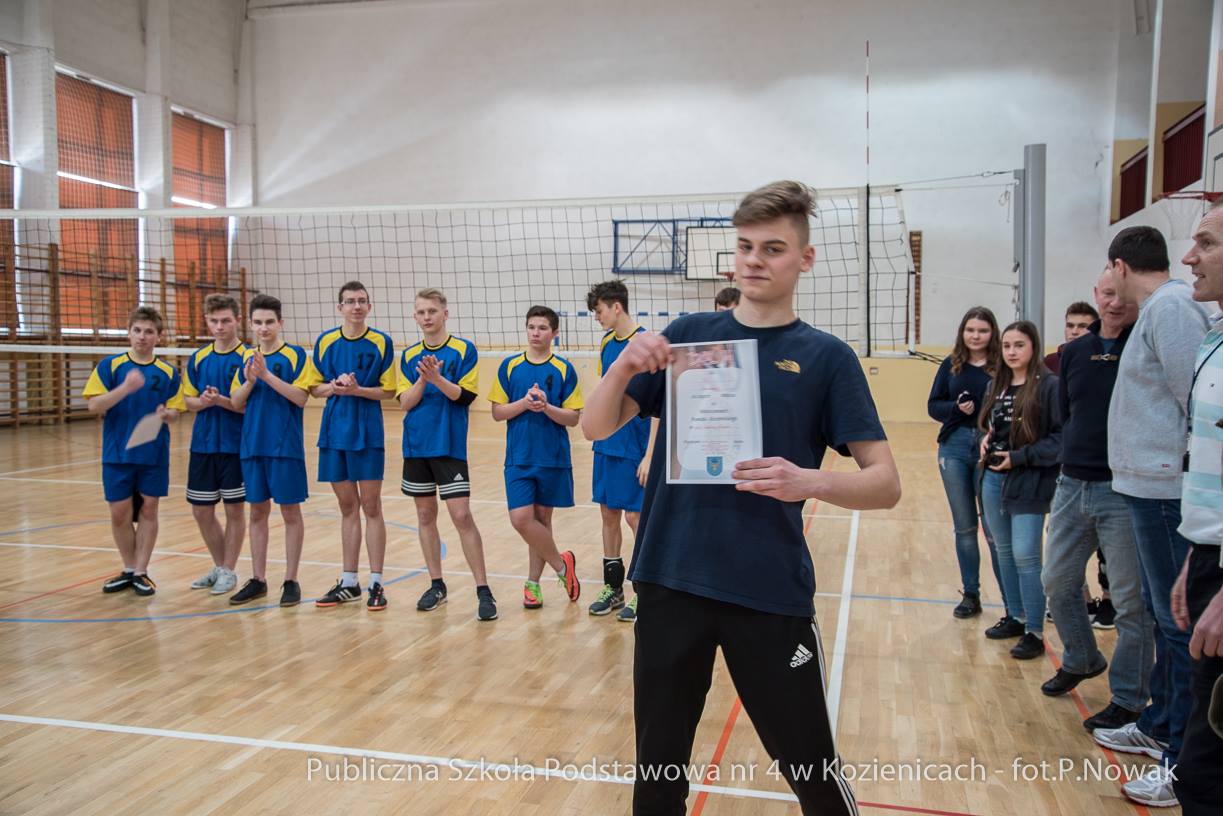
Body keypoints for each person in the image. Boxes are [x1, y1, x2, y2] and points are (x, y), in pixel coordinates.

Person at [582, 180, 901, 815]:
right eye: (746, 246)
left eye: (773, 248)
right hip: (670, 578)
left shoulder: (827, 358)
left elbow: (885, 482)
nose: (755, 260)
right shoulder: (688, 336)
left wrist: (808, 480)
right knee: (657, 778)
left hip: (767, 589)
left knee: (813, 775)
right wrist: (623, 366)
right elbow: (595, 426)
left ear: (805, 258)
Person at [1096, 225, 1211, 808]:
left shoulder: (1171, 308)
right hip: (1145, 487)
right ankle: (1159, 723)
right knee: (1164, 618)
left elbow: (1199, 401)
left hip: (1166, 488)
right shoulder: (1158, 310)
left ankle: (1180, 761)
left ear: (1119, 266)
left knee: (1178, 625)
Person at [1039, 269, 1153, 735]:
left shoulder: (1142, 345)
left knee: (1129, 603)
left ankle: (1129, 698)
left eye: (1121, 294)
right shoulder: (1073, 353)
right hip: (1072, 485)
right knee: (1057, 582)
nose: (1114, 302)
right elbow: (1067, 413)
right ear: (1096, 295)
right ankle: (1083, 657)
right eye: (1107, 294)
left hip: (1122, 489)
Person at [1168, 201, 1223, 813]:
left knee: (1206, 775)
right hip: (1210, 556)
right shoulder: (1214, 337)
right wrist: (1197, 552)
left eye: (1206, 243)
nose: (1189, 257)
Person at [397, 288, 497, 622]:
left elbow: (464, 397)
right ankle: (436, 584)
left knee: (461, 515)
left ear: (445, 314)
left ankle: (483, 590)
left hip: (449, 445)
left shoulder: (463, 349)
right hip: (416, 446)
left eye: (432, 311)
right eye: (421, 312)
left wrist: (437, 378)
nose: (427, 317)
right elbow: (405, 402)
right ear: (415, 316)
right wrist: (423, 380)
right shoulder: (408, 355)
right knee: (425, 515)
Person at [84, 306, 185, 597]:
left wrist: (167, 415)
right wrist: (125, 389)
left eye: (149, 332)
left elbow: (176, 411)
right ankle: (128, 568)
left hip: (153, 453)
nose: (142, 336)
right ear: (129, 333)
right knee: (120, 513)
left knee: (149, 509)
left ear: (158, 337)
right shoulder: (111, 366)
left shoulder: (167, 372)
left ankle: (141, 571)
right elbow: (94, 405)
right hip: (117, 452)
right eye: (137, 330)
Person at [309, 281, 397, 610]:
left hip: (367, 432)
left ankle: (376, 582)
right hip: (334, 432)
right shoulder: (325, 342)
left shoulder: (381, 342)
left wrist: (358, 390)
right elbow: (313, 389)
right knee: (347, 506)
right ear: (340, 307)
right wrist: (334, 386)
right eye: (350, 301)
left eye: (361, 301)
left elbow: (389, 391)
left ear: (369, 307)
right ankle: (349, 582)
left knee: (371, 506)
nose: (356, 306)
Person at [488, 305, 583, 609]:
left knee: (541, 520)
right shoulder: (510, 366)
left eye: (542, 328)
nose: (536, 333)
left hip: (552, 456)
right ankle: (562, 566)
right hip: (519, 457)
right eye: (531, 327)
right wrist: (525, 404)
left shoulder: (564, 369)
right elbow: (497, 412)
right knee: (521, 519)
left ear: (554, 333)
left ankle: (533, 584)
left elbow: (573, 418)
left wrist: (546, 407)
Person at [977, 320, 1062, 660]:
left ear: (1033, 347)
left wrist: (1019, 457)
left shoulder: (1049, 386)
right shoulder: (995, 385)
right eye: (1007, 346)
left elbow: (1059, 440)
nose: (1011, 352)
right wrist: (985, 440)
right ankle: (1015, 616)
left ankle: (1035, 631)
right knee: (1002, 550)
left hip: (1029, 479)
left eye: (1019, 345)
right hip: (993, 478)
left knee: (1026, 554)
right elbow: (990, 425)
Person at [227, 294, 311, 607]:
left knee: (290, 512)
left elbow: (300, 397)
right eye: (258, 322)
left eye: (269, 322)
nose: (264, 328)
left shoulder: (295, 355)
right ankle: (258, 579)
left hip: (285, 446)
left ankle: (291, 580)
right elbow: (236, 402)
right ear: (251, 325)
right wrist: (250, 381)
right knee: (257, 512)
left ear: (280, 323)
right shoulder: (246, 358)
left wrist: (266, 376)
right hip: (253, 445)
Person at [586, 279, 656, 622]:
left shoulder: (645, 343)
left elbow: (659, 404)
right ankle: (613, 587)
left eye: (599, 310)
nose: (597, 317)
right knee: (608, 514)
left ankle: (646, 591)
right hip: (608, 443)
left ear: (616, 306)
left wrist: (650, 454)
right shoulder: (605, 343)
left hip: (636, 444)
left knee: (636, 518)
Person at [927, 306, 1002, 618]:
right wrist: (957, 409)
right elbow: (933, 406)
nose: (976, 336)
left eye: (982, 330)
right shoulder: (951, 364)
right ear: (962, 332)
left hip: (990, 447)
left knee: (994, 530)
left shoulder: (1002, 366)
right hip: (954, 448)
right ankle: (971, 594)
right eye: (970, 330)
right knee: (965, 527)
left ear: (992, 334)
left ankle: (1013, 605)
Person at [183, 294, 248, 596]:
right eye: (214, 321)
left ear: (237, 320)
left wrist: (219, 400)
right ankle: (221, 566)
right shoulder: (198, 358)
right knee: (201, 511)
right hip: (203, 444)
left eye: (225, 321)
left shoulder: (248, 357)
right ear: (206, 321)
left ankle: (228, 569)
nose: (220, 327)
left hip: (235, 445)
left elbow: (247, 406)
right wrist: (204, 401)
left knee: (234, 510)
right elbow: (189, 401)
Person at [1043, 301, 1098, 375]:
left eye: (1082, 326)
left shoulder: (1103, 361)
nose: (1074, 332)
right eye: (1070, 326)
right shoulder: (1050, 362)